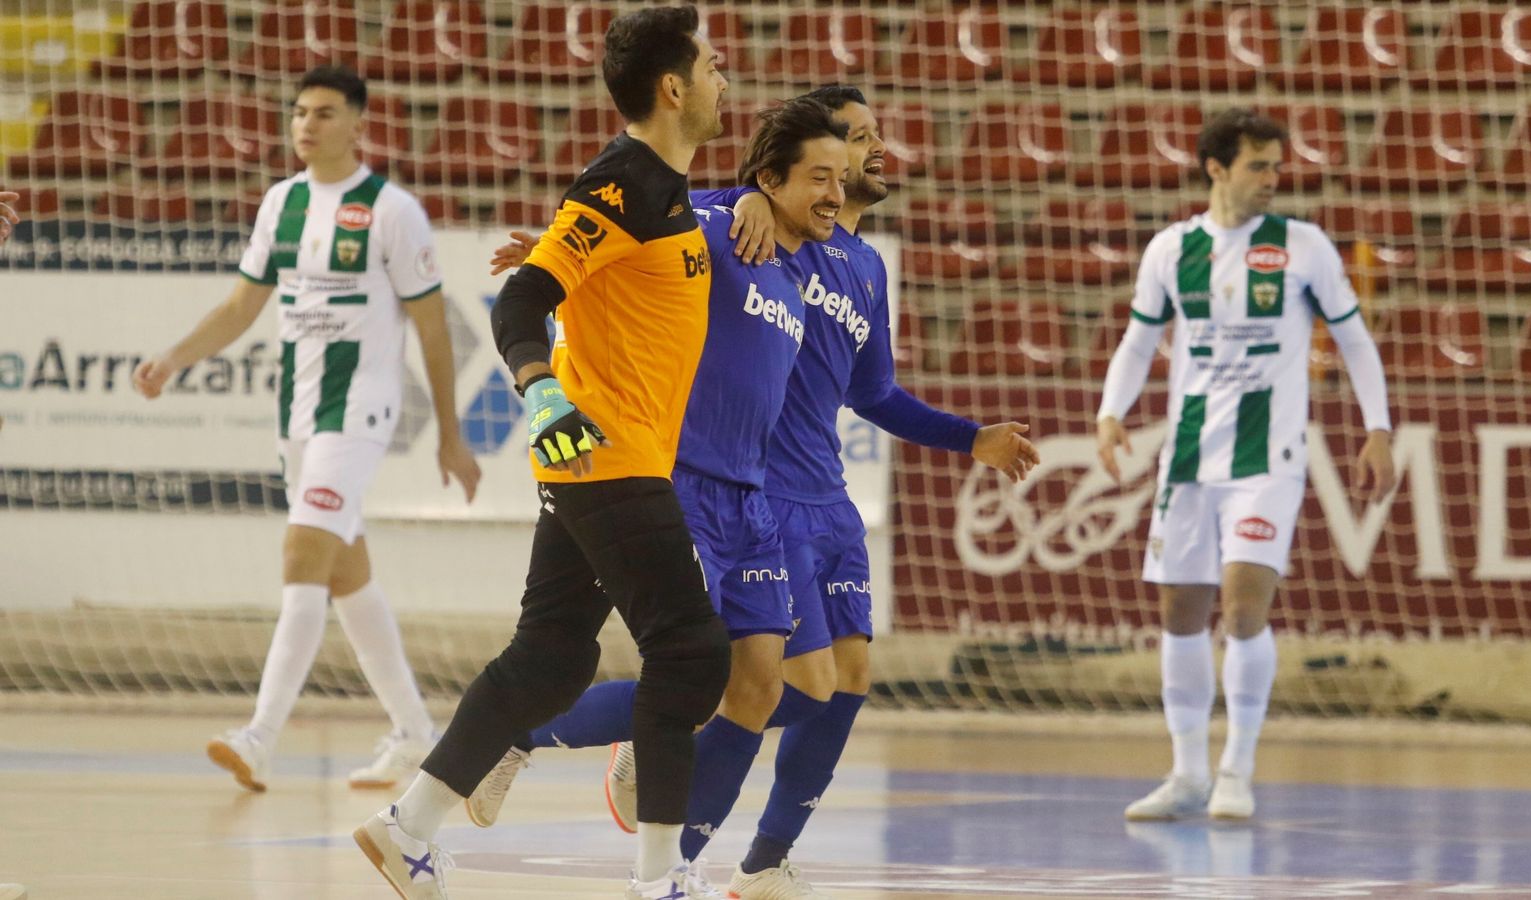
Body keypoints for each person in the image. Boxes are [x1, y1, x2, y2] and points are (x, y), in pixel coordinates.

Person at [481, 84, 1040, 900]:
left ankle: (761, 858)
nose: (870, 151)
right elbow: (654, 226)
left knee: (838, 679)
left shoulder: (866, 266)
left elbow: (874, 393)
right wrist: (726, 199)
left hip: (827, 497)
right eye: (856, 137)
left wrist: (970, 437)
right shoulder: (750, 219)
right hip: (751, 488)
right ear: (801, 167)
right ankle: (571, 763)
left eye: (877, 138)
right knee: (753, 680)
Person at [352, 8, 733, 900]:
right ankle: (657, 881)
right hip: (602, 450)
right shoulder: (620, 182)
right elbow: (520, 303)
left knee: (556, 659)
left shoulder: (669, 192)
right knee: (690, 652)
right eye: (714, 66)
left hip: (612, 456)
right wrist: (543, 388)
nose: (726, 80)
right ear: (674, 88)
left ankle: (406, 826)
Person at [465, 98, 848, 899]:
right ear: (771, 178)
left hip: (755, 496)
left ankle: (654, 790)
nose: (841, 188)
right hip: (684, 478)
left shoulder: (815, 265)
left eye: (846, 175)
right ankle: (527, 747)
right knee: (697, 668)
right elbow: (636, 240)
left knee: (791, 683)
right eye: (825, 174)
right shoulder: (717, 227)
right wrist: (734, 198)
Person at [133, 65, 480, 793]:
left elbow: (433, 329)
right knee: (346, 573)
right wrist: (173, 356)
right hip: (298, 409)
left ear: (358, 124)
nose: (306, 125)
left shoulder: (393, 211)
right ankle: (416, 733)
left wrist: (450, 431)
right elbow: (239, 307)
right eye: (298, 112)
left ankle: (259, 736)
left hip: (361, 409)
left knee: (300, 551)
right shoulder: (280, 203)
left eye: (323, 113)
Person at [1097, 108, 1396, 823]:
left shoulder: (1303, 245)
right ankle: (1187, 773)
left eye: (1277, 165)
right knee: (1178, 613)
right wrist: (1112, 412)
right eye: (1259, 165)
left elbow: (1354, 341)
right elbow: (1140, 343)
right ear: (1216, 168)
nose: (1273, 178)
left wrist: (1378, 427)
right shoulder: (1171, 249)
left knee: (1241, 609)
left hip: (1270, 458)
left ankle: (1237, 770)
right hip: (1189, 457)